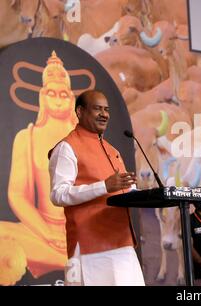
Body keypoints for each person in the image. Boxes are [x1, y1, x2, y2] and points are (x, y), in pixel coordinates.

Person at [48, 90, 145, 286]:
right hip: (89, 246)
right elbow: (58, 194)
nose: (104, 114)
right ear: (80, 111)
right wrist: (104, 186)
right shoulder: (67, 147)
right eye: (97, 109)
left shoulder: (113, 150)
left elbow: (126, 191)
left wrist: (145, 194)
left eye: (107, 110)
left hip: (123, 243)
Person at [0, 51, 77, 285]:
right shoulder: (28, 137)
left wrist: (73, 231)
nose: (58, 99)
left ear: (72, 99)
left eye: (64, 94)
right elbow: (17, 194)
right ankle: (64, 258)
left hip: (80, 232)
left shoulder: (86, 139)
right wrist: (47, 233)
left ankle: (69, 257)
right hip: (41, 231)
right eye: (51, 93)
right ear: (43, 97)